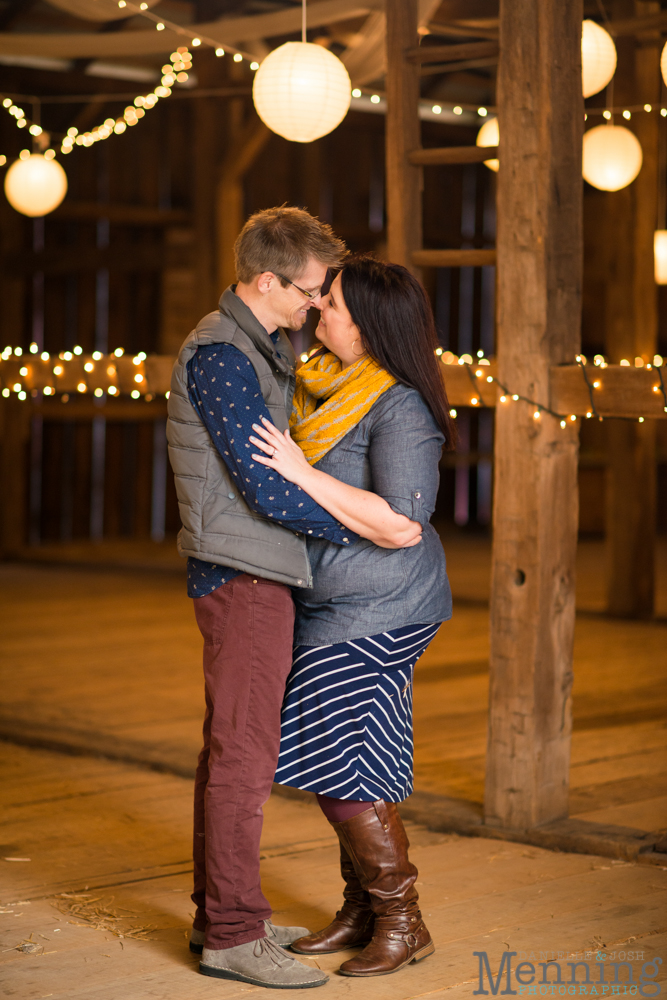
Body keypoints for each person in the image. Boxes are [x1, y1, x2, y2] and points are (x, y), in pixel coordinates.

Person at [167, 207, 360, 990]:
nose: (317, 305)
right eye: (310, 291)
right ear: (266, 280)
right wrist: (362, 528)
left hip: (251, 567)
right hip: (244, 572)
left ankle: (223, 913)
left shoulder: (260, 348)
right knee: (245, 754)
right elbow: (262, 482)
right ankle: (235, 936)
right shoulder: (221, 354)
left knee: (230, 748)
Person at [248, 254, 455, 979]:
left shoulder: (398, 404)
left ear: (366, 327)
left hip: (385, 603)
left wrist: (299, 473)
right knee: (359, 751)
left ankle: (403, 919)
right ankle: (362, 908)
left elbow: (402, 523)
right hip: (337, 598)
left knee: (337, 753)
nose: (316, 311)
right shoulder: (320, 385)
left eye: (329, 303)